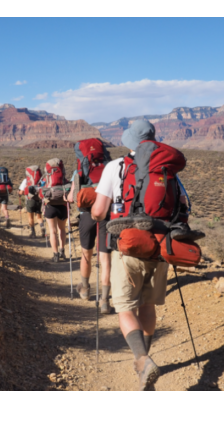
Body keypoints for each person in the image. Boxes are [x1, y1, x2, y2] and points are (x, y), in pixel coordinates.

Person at [91, 119, 169, 391]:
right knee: (147, 306)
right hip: (159, 246)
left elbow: (99, 212)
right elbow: (183, 205)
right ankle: (144, 365)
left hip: (127, 246)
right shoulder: (166, 168)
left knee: (124, 306)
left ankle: (142, 361)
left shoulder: (116, 166)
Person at [66, 140, 112, 314]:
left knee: (87, 253)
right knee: (105, 258)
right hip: (107, 215)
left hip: (87, 215)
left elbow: (72, 197)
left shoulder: (79, 170)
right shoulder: (110, 168)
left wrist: (67, 197)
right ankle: (105, 301)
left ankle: (85, 289)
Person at [39, 158, 68, 263]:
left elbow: (40, 194)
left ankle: (55, 255)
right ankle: (62, 251)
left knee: (53, 231)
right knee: (62, 229)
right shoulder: (64, 180)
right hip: (63, 206)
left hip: (50, 206)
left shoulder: (45, 180)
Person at [18, 174, 46, 238]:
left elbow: (21, 192)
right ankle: (42, 226)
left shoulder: (26, 180)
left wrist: (19, 192)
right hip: (39, 200)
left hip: (30, 200)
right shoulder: (41, 180)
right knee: (38, 217)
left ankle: (33, 233)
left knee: (30, 218)